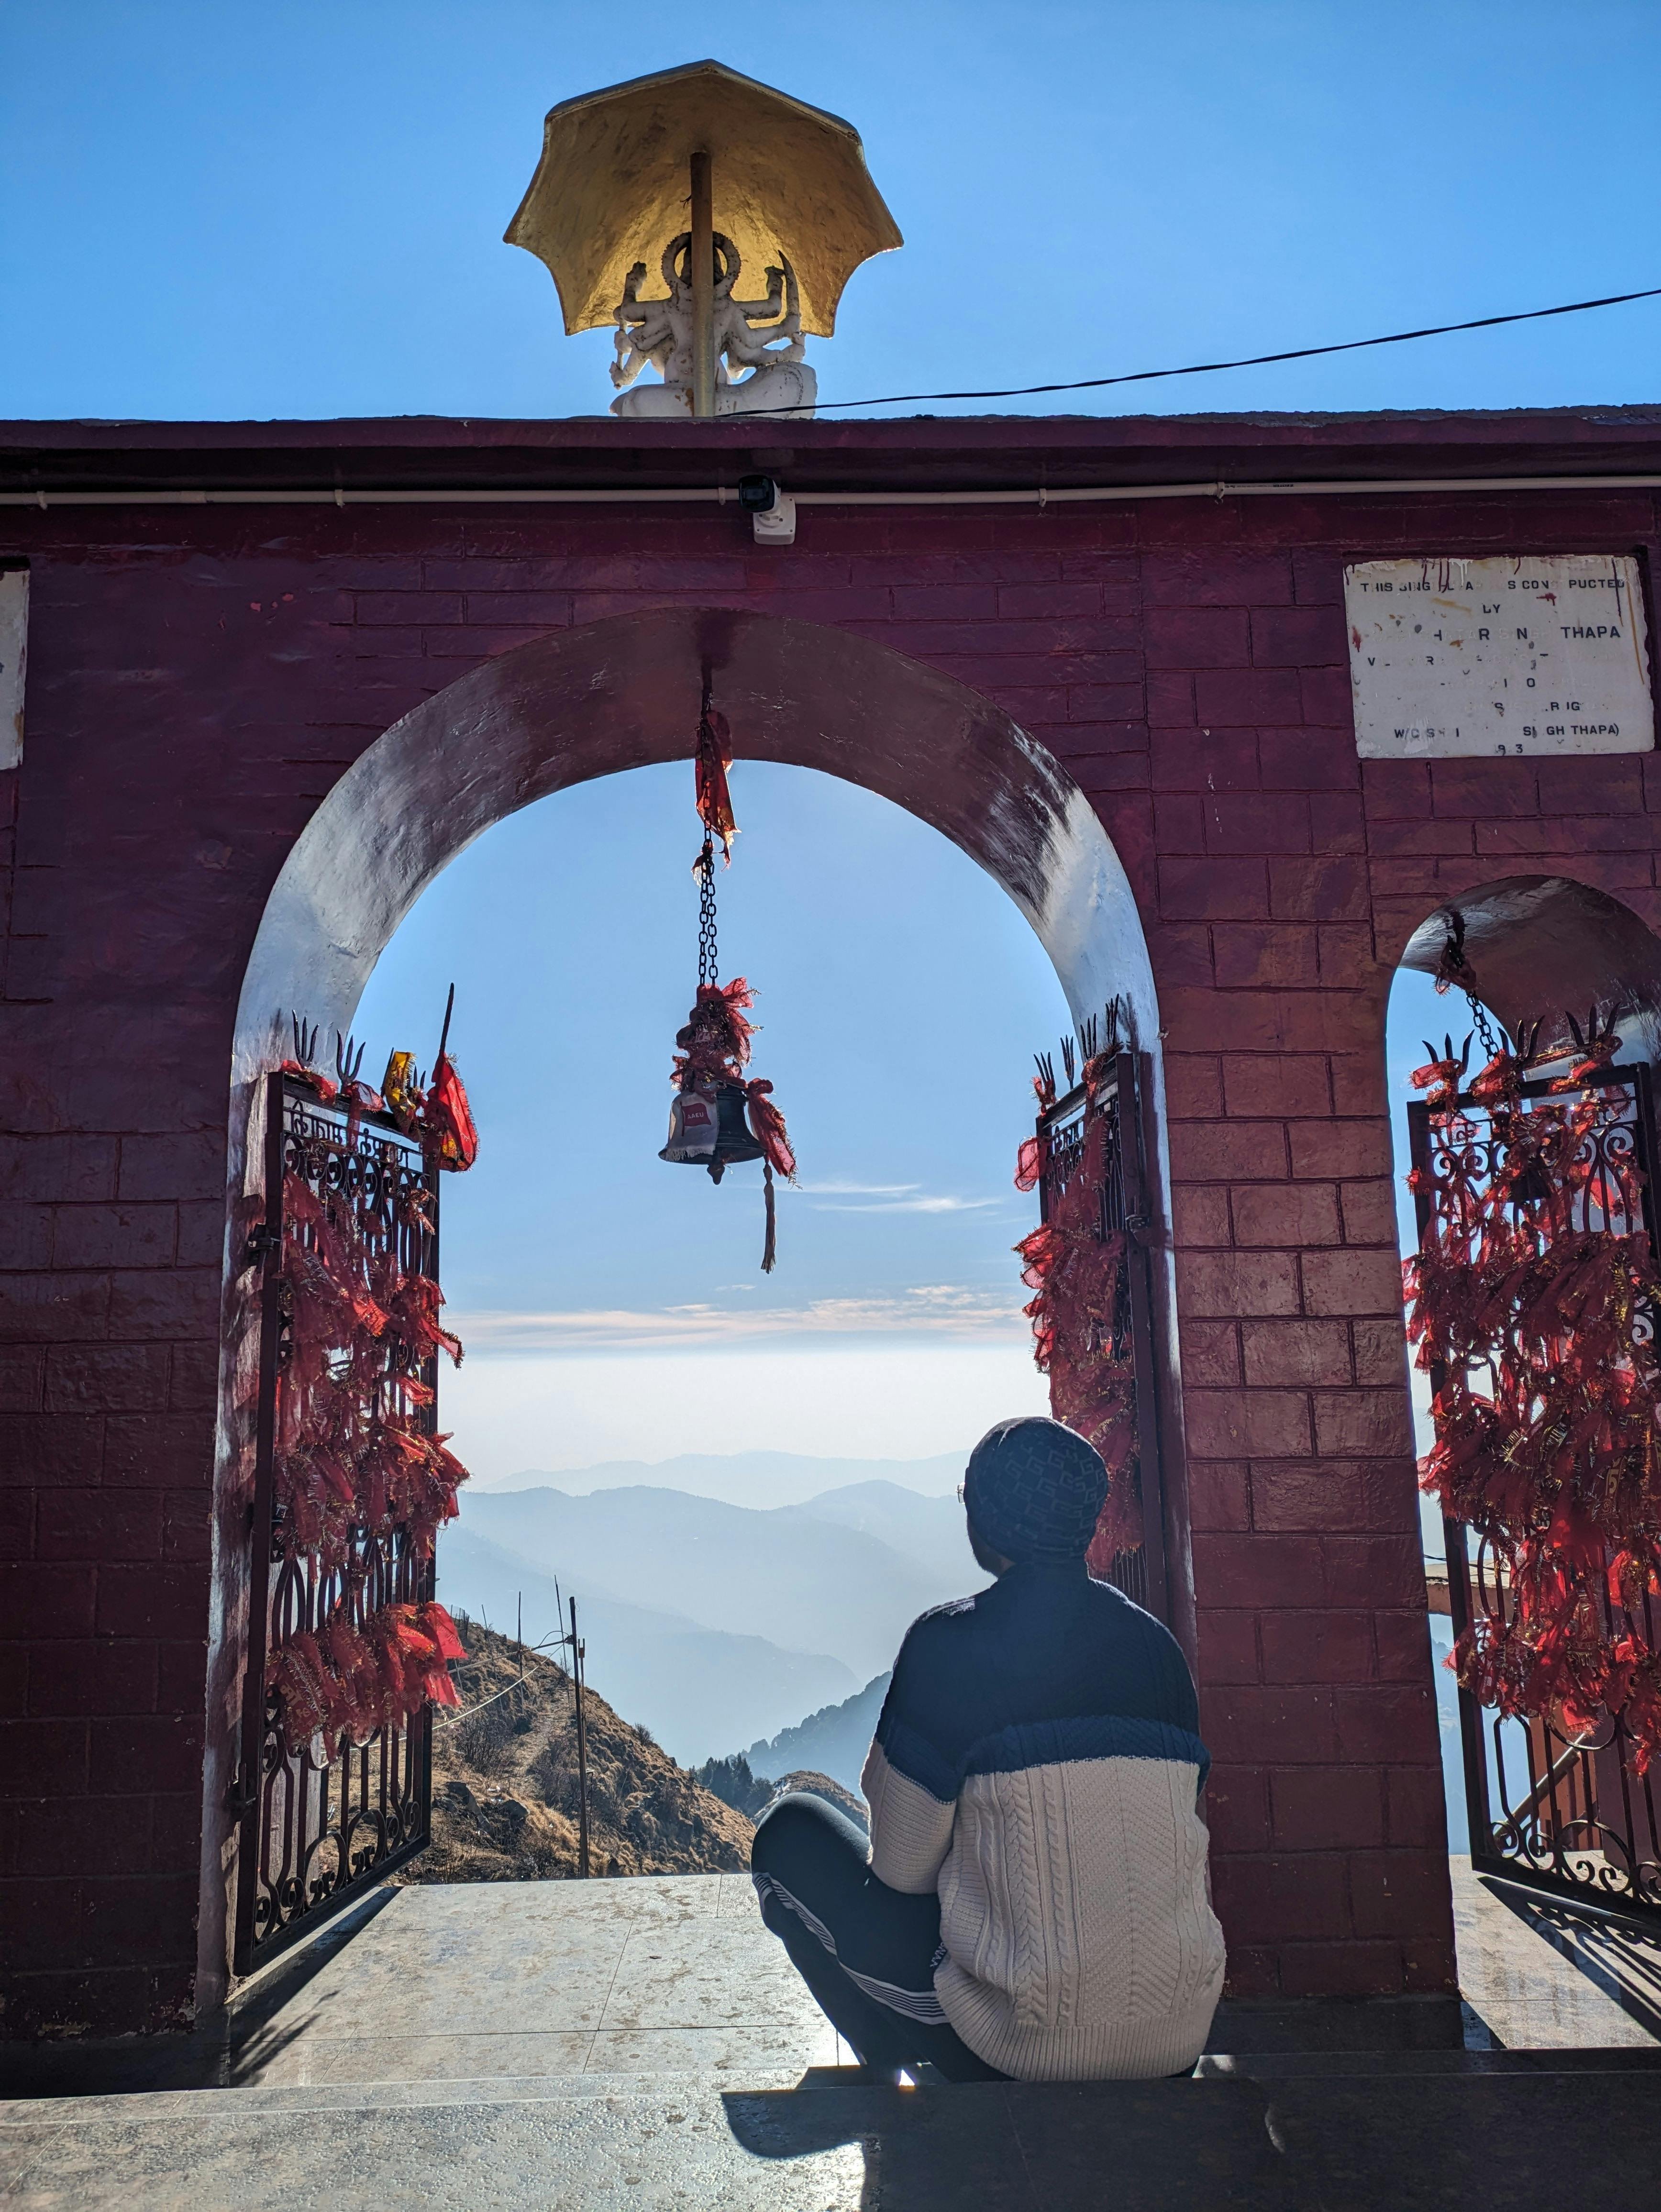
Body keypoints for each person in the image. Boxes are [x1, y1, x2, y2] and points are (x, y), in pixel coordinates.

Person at [751, 1415, 1225, 2082]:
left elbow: (901, 1872)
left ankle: (899, 2084)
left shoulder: (949, 1647)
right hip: (1178, 2034)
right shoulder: (1159, 1651)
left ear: (985, 1522)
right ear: (1088, 1523)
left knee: (789, 1834)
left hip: (1017, 2044)